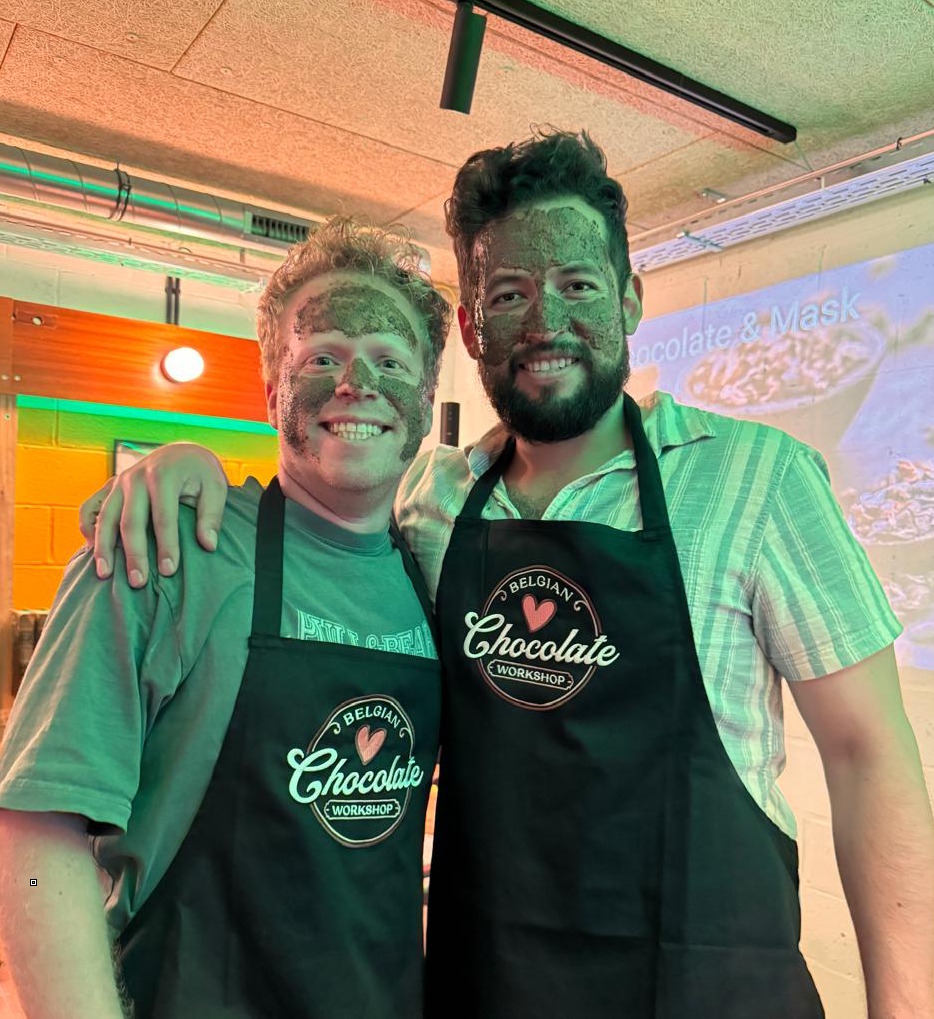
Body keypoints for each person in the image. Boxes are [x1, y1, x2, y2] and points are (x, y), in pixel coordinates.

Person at [75, 132, 934, 1019]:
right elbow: (321, 497)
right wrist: (188, 465)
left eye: (577, 287)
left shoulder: (757, 479)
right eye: (510, 294)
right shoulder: (430, 501)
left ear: (631, 300)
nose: (544, 323)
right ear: (474, 326)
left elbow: (870, 752)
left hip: (703, 987)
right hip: (486, 989)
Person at [0, 217, 451, 1019]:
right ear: (271, 385)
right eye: (322, 357)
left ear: (422, 401)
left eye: (389, 361)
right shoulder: (168, 549)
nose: (357, 383)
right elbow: (35, 831)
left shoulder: (435, 571)